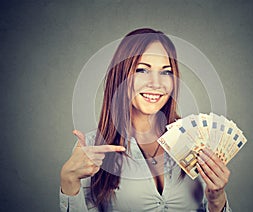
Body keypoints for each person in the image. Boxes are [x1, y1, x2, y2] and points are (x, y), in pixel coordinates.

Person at [60, 28, 231, 212]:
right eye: (142, 70)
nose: (156, 83)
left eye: (166, 72)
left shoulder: (195, 139)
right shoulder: (93, 148)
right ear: (122, 76)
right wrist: (68, 180)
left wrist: (217, 200)